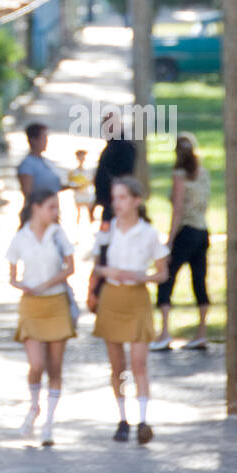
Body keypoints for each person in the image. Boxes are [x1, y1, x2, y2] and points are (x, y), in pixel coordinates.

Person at [91, 176, 169, 444]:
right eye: (115, 198)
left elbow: (162, 273)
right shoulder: (107, 229)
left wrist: (141, 277)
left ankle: (143, 419)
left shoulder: (148, 233)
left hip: (136, 297)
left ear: (137, 200)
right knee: (117, 366)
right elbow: (96, 265)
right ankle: (122, 417)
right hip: (112, 297)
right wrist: (108, 271)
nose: (117, 203)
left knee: (139, 362)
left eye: (123, 197)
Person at [7, 187, 76, 446]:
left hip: (56, 302)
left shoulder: (58, 235)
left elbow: (71, 267)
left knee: (55, 366)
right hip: (32, 306)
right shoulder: (21, 236)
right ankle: (34, 406)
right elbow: (12, 275)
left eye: (57, 207)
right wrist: (21, 285)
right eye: (51, 207)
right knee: (36, 364)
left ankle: (49, 420)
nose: (55, 212)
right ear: (36, 207)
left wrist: (48, 284)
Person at [152, 134, 211, 351]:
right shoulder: (203, 173)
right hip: (203, 230)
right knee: (199, 281)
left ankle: (165, 332)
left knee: (166, 278)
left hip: (185, 231)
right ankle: (201, 332)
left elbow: (177, 209)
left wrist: (169, 242)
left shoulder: (179, 175)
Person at [93, 108, 136, 222]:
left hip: (117, 204)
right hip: (109, 203)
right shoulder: (111, 147)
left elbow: (125, 175)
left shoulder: (124, 147)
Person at [17, 122, 64, 199]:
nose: (46, 141)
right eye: (44, 138)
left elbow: (53, 187)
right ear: (33, 140)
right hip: (39, 209)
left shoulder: (47, 162)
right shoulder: (27, 165)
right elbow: (28, 194)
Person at [68, 148, 96, 225]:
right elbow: (70, 184)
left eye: (83, 156)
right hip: (78, 196)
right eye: (80, 156)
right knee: (78, 214)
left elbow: (92, 182)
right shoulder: (73, 172)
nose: (82, 158)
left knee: (90, 213)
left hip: (87, 195)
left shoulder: (88, 172)